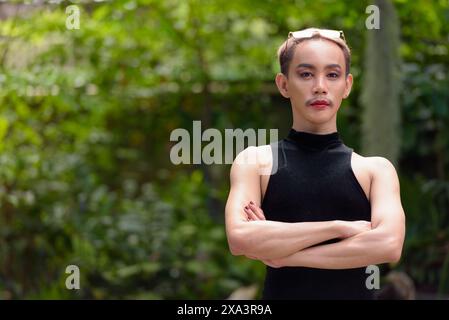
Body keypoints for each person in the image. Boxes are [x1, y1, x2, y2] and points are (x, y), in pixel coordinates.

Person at [224, 27, 406, 299]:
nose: (320, 86)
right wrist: (339, 228)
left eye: (332, 74)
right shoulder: (256, 162)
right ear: (283, 84)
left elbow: (389, 245)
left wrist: (287, 254)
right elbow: (240, 239)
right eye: (306, 74)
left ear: (347, 86)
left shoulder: (376, 170)